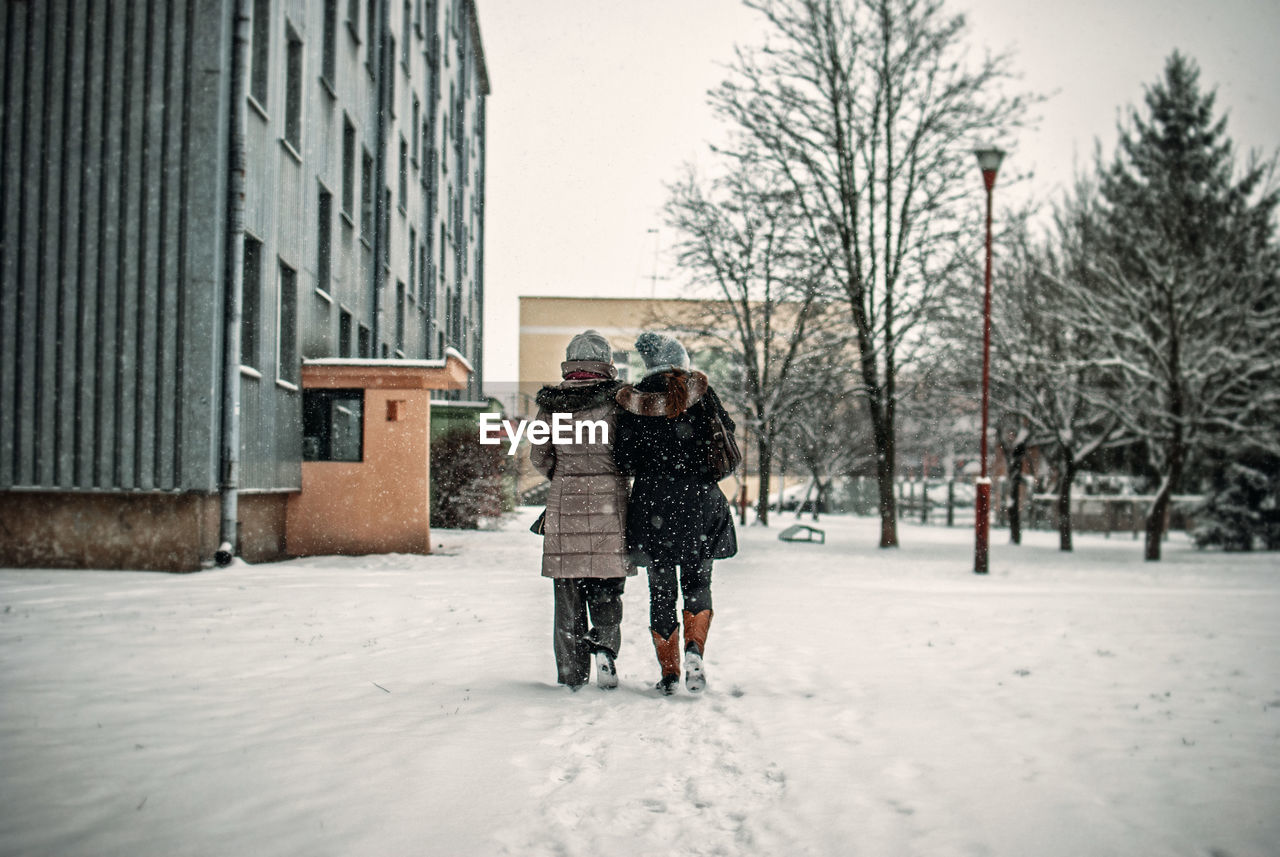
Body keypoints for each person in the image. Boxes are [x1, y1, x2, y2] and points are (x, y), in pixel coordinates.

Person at [614, 332, 737, 695]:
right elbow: (725, 437)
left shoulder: (635, 401)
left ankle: (669, 671)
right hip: (700, 504)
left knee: (661, 592)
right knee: (698, 584)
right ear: (682, 361)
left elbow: (623, 458)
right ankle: (695, 650)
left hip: (654, 508)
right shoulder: (703, 395)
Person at [529, 330, 634, 690]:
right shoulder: (619, 402)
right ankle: (605, 647)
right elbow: (629, 455)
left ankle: (572, 674)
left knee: (567, 593)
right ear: (606, 361)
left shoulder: (552, 403)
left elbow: (539, 457)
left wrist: (566, 474)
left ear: (570, 361)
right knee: (607, 585)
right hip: (611, 507)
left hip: (565, 505)